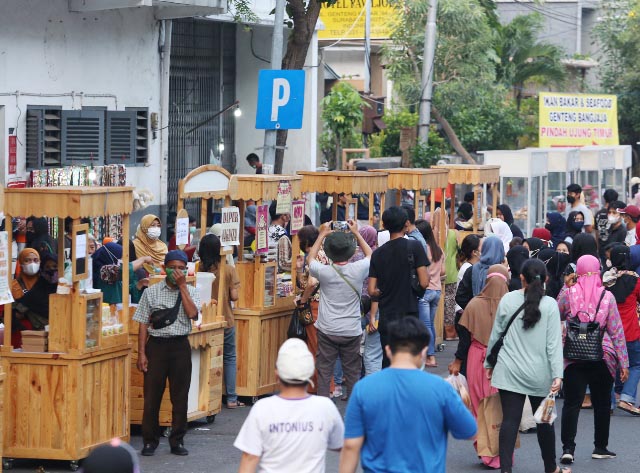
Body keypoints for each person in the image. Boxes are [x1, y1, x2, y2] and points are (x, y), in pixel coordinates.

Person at [339, 317, 477, 473]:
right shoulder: (441, 388)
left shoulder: (363, 388)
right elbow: (469, 431)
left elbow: (351, 446)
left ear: (388, 350)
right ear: (424, 352)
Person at [484, 259, 565, 473]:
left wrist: (489, 363)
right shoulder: (550, 305)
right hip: (541, 374)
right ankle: (551, 468)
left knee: (509, 421)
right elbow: (553, 343)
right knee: (545, 421)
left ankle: (506, 470)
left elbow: (496, 335)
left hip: (509, 370)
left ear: (521, 278)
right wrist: (558, 374)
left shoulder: (508, 300)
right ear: (546, 279)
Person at [557, 254, 629, 464]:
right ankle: (600, 446)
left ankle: (568, 448)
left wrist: (566, 286)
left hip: (573, 355)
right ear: (598, 271)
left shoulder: (569, 294)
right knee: (602, 403)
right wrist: (624, 363)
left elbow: (556, 311)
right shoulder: (607, 297)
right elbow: (616, 331)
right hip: (602, 355)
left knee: (571, 403)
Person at [235, 339, 344, 473]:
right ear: (310, 373)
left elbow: (250, 457)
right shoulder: (325, 407)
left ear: (277, 373)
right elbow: (343, 446)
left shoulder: (262, 408)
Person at [133, 250, 201, 457]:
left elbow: (192, 314)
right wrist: (142, 354)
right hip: (157, 347)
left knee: (180, 397)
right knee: (152, 396)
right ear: (164, 269)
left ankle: (177, 440)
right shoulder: (151, 292)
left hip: (180, 346)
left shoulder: (191, 291)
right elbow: (143, 324)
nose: (177, 271)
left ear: (187, 269)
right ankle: (149, 441)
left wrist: (182, 287)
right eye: (173, 267)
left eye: (181, 267)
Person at [308, 221, 372, 399]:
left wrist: (321, 235)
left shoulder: (324, 271)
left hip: (327, 328)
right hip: (351, 329)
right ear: (350, 252)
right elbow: (370, 254)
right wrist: (356, 233)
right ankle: (354, 408)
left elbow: (310, 259)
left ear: (329, 252)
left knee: (324, 370)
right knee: (352, 371)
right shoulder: (358, 270)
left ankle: (322, 405)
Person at [458, 264, 509, 468]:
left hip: (476, 358)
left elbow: (464, 338)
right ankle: (500, 453)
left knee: (479, 405)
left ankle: (484, 449)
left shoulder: (473, 304)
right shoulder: (511, 305)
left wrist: (457, 360)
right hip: (503, 359)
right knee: (501, 406)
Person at [368, 206, 429, 368]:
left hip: (387, 315)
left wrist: (385, 290)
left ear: (385, 225)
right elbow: (424, 282)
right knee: (411, 359)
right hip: (409, 313)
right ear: (406, 224)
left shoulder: (378, 253)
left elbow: (371, 290)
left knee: (389, 360)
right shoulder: (414, 247)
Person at [198, 234, 244, 409]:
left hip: (204, 319)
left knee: (205, 357)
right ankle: (231, 398)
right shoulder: (228, 270)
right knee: (229, 357)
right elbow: (234, 296)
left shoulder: (199, 268)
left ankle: (205, 398)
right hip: (225, 318)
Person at [453, 237, 505, 377]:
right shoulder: (503, 272)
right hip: (497, 322)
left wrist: (473, 308)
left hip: (473, 324)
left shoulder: (473, 269)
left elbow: (460, 296)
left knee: (470, 358)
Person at [602, 245, 640, 416]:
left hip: (610, 331)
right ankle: (627, 398)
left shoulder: (606, 280)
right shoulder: (636, 281)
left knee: (609, 367)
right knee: (635, 365)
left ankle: (608, 402)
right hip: (631, 330)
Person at [296, 225, 328, 392]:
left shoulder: (315, 255)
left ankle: (320, 386)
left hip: (315, 305)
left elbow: (311, 283)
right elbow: (307, 282)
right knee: (319, 346)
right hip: (325, 304)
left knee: (315, 346)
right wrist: (298, 270)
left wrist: (303, 299)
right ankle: (320, 385)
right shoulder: (325, 252)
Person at [10, 249, 58, 348]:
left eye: (35, 260)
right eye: (27, 260)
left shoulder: (64, 288)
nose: (32, 264)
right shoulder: (32, 289)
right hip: (38, 339)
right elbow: (17, 312)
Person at [416, 219, 445, 367]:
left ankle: (430, 356)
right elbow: (443, 271)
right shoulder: (438, 250)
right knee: (430, 324)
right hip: (437, 290)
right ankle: (429, 354)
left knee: (426, 324)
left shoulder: (421, 249)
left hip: (426, 291)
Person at [443, 229, 460, 341]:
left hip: (436, 273)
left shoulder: (432, 233)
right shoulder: (454, 233)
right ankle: (450, 332)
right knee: (450, 303)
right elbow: (460, 250)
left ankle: (444, 332)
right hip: (452, 272)